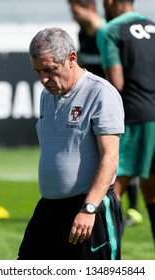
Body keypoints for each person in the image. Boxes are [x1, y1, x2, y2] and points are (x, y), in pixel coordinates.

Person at [17, 27, 124, 260]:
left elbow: (110, 158)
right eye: (38, 71)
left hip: (88, 208)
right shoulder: (47, 95)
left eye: (49, 70)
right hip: (48, 209)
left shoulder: (101, 93)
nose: (43, 79)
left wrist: (89, 209)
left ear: (71, 58)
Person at [68, 0, 141, 227]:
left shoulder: (107, 33)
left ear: (89, 8)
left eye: (75, 10)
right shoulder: (83, 34)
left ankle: (128, 209)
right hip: (91, 104)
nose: (73, 15)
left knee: (117, 156)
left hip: (113, 104)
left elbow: (119, 74)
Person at [97, 0, 155, 241]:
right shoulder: (152, 25)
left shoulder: (110, 30)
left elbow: (116, 83)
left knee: (111, 187)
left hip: (133, 117)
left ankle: (111, 262)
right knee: (151, 192)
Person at [67, 0, 105, 77]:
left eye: (76, 13)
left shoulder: (108, 33)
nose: (74, 18)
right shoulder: (82, 34)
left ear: (91, 9)